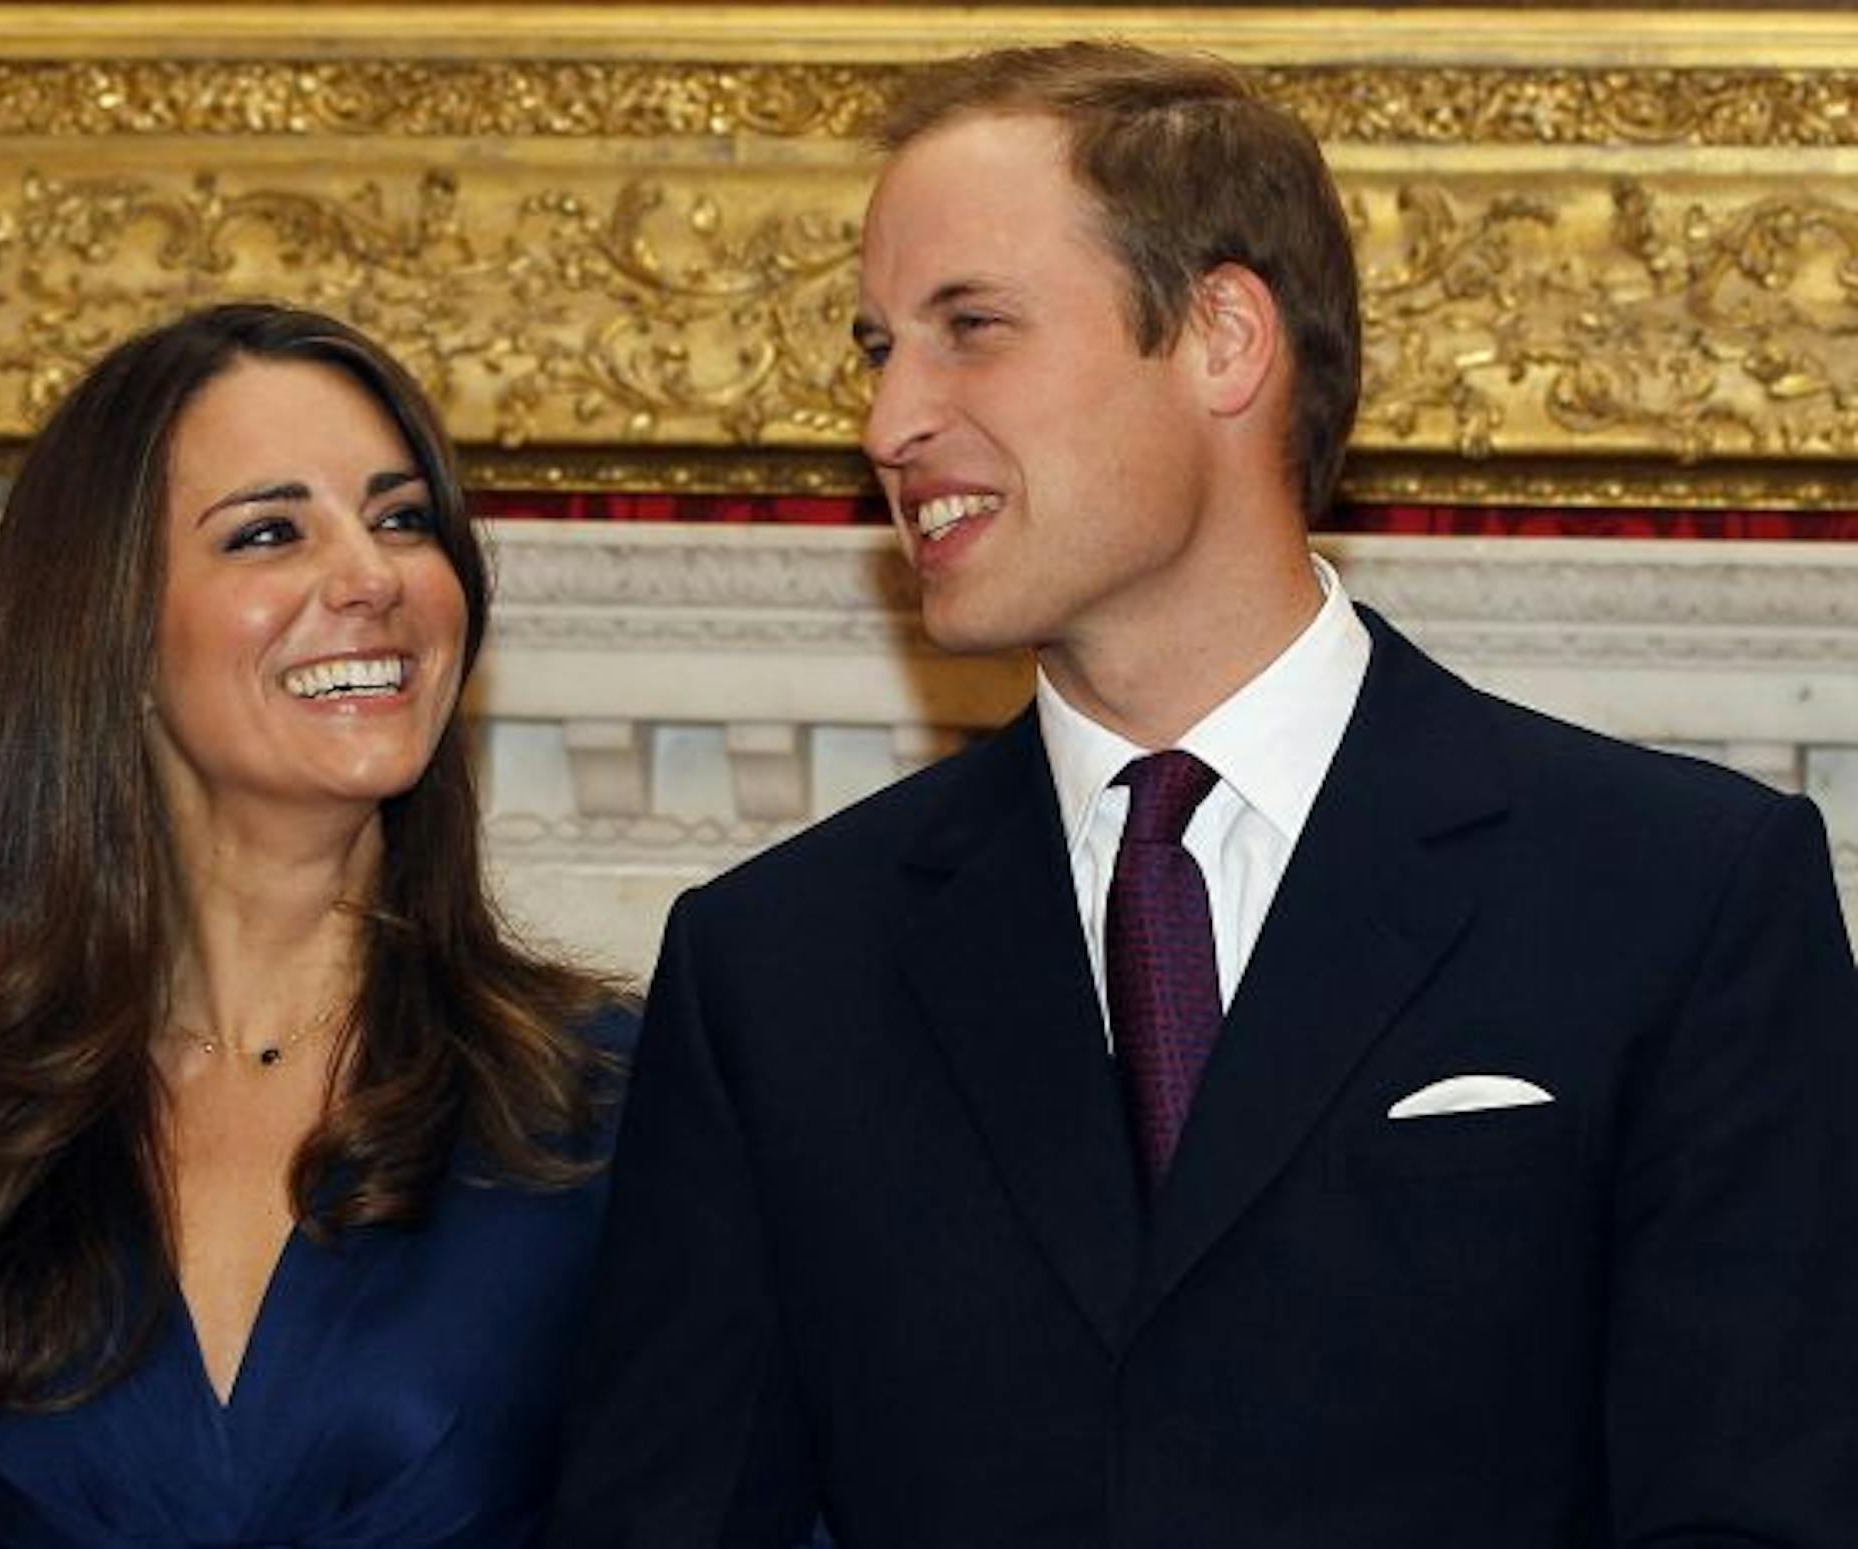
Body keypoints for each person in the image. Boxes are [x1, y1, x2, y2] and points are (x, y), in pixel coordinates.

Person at [548, 42, 1858, 1546]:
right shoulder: (775, 967)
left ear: (1225, 339)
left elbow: (1762, 1506)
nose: (889, 421)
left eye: (971, 328)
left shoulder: (1677, 899)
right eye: (874, 345)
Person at [0, 302, 631, 1548]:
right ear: (111, 628)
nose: (373, 575)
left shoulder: (623, 1104)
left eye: (402, 519)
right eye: (271, 531)